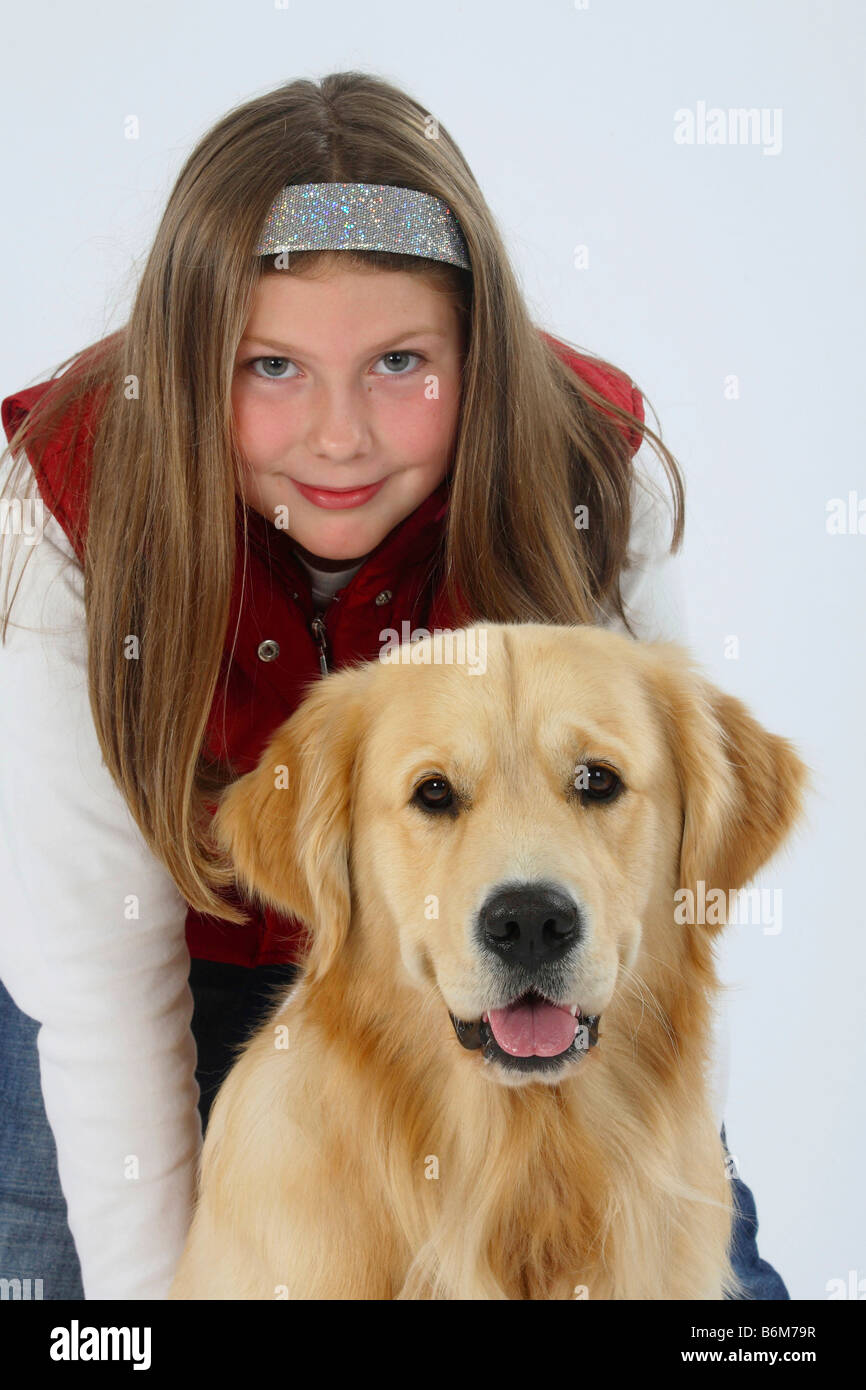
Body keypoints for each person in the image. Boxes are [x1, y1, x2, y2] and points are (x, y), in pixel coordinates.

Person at [0, 70, 787, 1301]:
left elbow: (666, 890)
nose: (338, 436)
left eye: (400, 362)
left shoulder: (586, 462)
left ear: (481, 357)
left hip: (503, 968)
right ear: (185, 355)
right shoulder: (62, 500)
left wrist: (669, 1166)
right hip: (146, 977)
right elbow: (96, 970)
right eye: (269, 367)